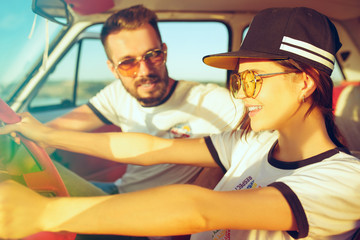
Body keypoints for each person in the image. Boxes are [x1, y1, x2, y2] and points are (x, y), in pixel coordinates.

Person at [1, 7, 360, 240]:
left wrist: (43, 212)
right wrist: (44, 134)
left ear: (305, 82)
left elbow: (199, 211)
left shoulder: (346, 180)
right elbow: (149, 148)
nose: (243, 94)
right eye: (239, 81)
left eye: (254, 79)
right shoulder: (254, 143)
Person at [47, 5, 241, 195]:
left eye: (153, 55)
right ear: (113, 69)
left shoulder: (209, 101)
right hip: (120, 191)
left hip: (157, 210)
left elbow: (262, 134)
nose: (145, 71)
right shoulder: (117, 94)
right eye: (128, 63)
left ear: (164, 52)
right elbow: (57, 129)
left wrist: (213, 170)